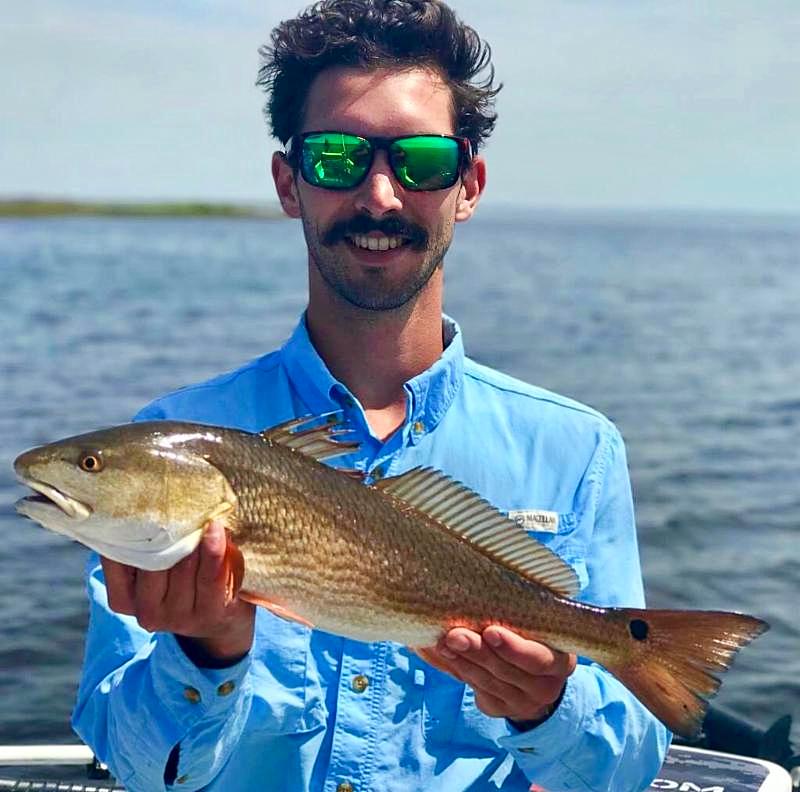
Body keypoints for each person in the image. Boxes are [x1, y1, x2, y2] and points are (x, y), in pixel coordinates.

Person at [72, 1, 670, 789]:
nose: (381, 196)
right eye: (335, 158)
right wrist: (205, 653)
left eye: (421, 161)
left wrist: (548, 707)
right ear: (289, 183)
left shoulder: (577, 450)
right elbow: (136, 767)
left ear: (468, 185)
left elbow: (626, 771)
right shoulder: (173, 435)